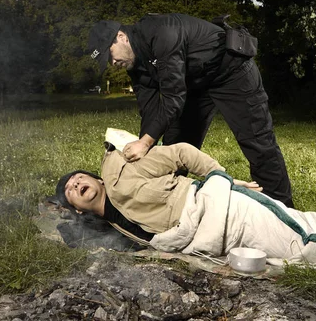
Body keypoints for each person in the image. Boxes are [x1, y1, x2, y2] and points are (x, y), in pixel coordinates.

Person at [56, 143, 316, 265]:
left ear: (93, 175)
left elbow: (182, 152)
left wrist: (225, 179)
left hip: (227, 211)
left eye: (78, 177)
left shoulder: (124, 164)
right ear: (76, 206)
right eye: (71, 190)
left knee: (315, 247)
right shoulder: (113, 226)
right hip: (215, 236)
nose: (76, 184)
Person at [87, 14, 294, 207]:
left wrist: (145, 142)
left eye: (110, 55)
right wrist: (144, 149)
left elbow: (173, 97)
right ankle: (167, 209)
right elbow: (149, 110)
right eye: (107, 61)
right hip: (194, 83)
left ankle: (282, 211)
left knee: (257, 142)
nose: (112, 63)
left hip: (230, 71)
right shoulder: (134, 63)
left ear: (121, 37)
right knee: (173, 148)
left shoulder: (161, 33)